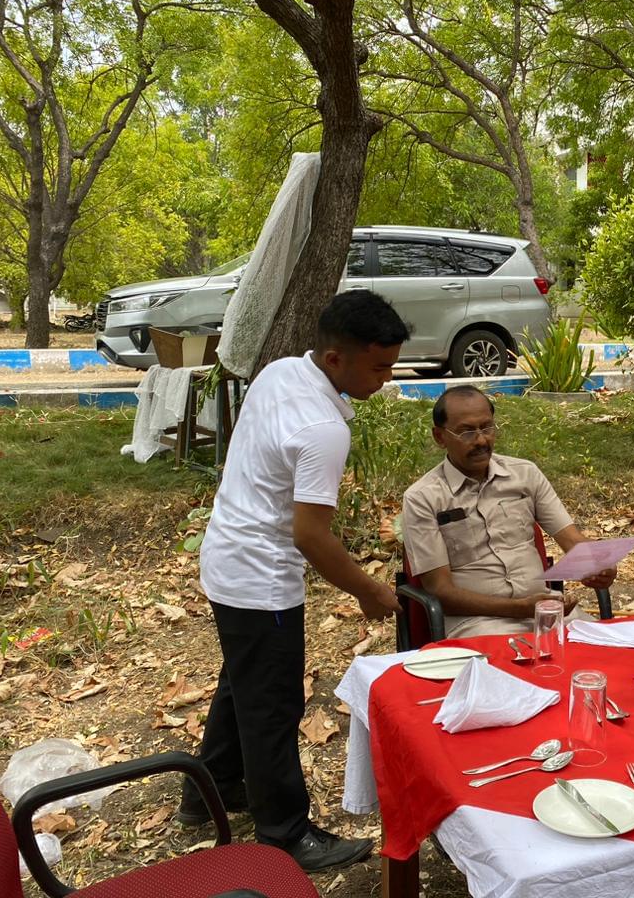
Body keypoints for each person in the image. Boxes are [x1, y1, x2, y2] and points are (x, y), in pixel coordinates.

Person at [177, 290, 409, 872]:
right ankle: (284, 832)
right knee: (272, 704)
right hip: (260, 574)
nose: (387, 377)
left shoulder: (282, 372)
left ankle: (209, 791)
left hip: (226, 551)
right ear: (336, 359)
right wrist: (369, 589)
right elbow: (311, 535)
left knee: (243, 681)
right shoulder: (323, 428)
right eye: (379, 366)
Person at [401, 385, 616, 638]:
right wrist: (519, 609)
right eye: (467, 432)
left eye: (487, 427)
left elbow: (572, 540)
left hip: (548, 612)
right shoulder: (422, 498)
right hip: (478, 624)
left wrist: (599, 566)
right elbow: (441, 591)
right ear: (440, 437)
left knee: (606, 658)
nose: (481, 440)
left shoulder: (525, 475)